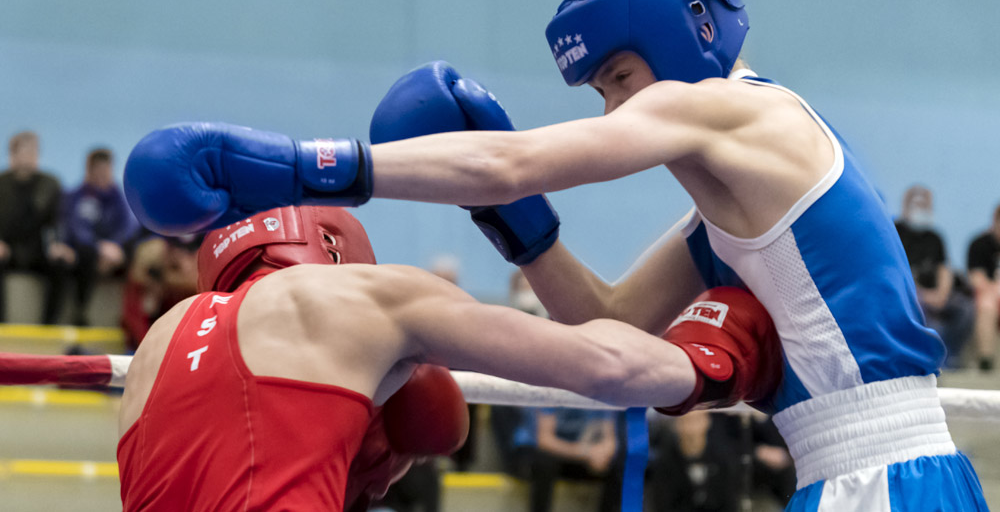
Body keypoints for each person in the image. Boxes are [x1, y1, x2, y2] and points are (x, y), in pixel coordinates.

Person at [122, 0, 985, 509]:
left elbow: (513, 161)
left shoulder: (739, 108)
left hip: (879, 472)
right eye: (602, 92)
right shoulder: (730, 213)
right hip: (864, 472)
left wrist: (293, 167)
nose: (615, 110)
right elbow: (606, 318)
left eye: (619, 79)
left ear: (687, 32)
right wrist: (514, 223)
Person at [118, 203, 781, 511]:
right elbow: (599, 362)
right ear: (340, 250)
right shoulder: (362, 296)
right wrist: (704, 366)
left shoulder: (160, 338)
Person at [894, 185, 974, 369]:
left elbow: (944, 268)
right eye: (918, 205)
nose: (922, 210)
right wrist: (922, 294)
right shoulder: (895, 233)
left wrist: (942, 294)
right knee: (927, 317)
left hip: (935, 294)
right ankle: (929, 361)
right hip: (911, 295)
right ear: (906, 206)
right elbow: (896, 271)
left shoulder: (934, 237)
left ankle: (952, 356)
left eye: (926, 205)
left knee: (966, 309)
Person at [0, 130, 73, 323]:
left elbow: (57, 219)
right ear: (12, 154)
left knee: (60, 264)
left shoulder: (50, 184)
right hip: (8, 249)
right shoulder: (2, 184)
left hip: (38, 249)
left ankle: (50, 324)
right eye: (22, 152)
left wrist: (57, 244)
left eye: (31, 152)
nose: (27, 158)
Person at [61, 148, 140, 326]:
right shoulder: (76, 197)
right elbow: (76, 229)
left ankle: (132, 318)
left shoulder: (119, 196)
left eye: (106, 170)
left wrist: (115, 246)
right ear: (89, 170)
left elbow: (129, 226)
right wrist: (99, 248)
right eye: (98, 170)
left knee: (137, 254)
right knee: (84, 253)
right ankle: (80, 311)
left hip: (114, 253)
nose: (103, 175)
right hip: (89, 252)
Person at [967, 204, 1000, 372]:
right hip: (988, 297)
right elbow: (976, 279)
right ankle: (985, 359)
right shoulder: (980, 244)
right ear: (995, 222)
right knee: (987, 303)